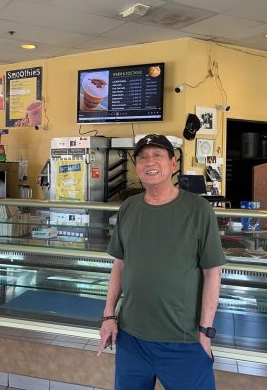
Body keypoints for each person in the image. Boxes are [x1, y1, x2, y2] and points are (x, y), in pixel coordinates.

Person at [97, 133, 226, 390]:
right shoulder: (129, 208)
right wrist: (108, 315)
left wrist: (205, 331)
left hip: (184, 341)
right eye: (142, 157)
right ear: (137, 166)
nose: (149, 162)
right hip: (131, 339)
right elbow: (120, 265)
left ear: (173, 163)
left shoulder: (198, 210)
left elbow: (213, 272)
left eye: (157, 155)